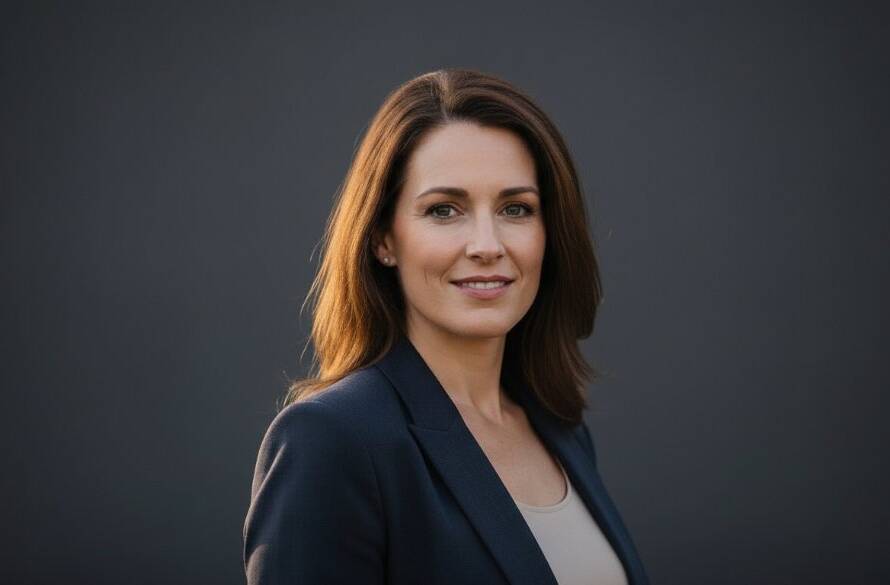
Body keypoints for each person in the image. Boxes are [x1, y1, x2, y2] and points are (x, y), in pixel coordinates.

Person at [242, 68, 650, 585]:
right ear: (383, 239)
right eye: (444, 210)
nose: (487, 245)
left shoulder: (559, 428)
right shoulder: (332, 440)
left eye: (516, 208)